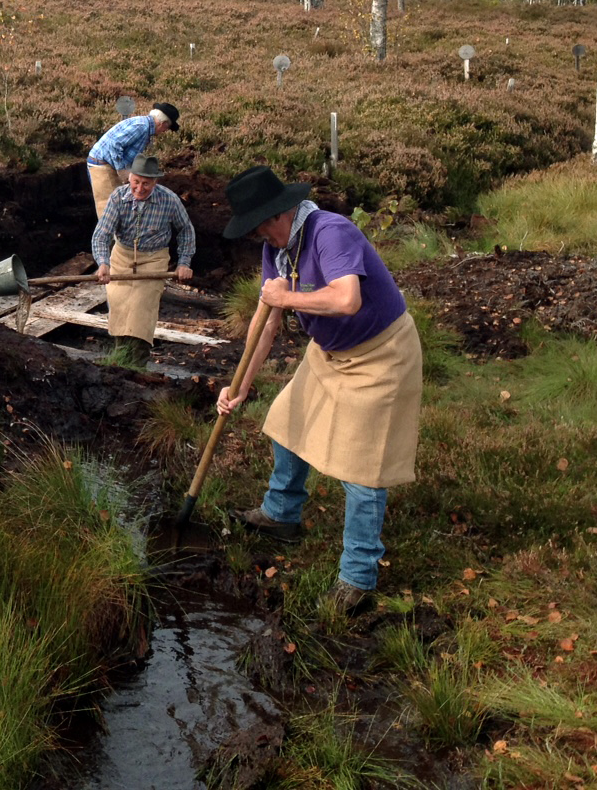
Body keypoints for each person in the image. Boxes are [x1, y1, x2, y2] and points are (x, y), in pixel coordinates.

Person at [216, 165, 424, 614]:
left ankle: (358, 578)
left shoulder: (331, 232)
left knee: (364, 467)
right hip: (329, 353)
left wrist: (286, 299)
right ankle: (281, 514)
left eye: (258, 228)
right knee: (289, 419)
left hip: (381, 354)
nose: (258, 238)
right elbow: (265, 322)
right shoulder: (278, 248)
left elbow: (346, 299)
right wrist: (240, 387)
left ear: (276, 215)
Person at [91, 155, 196, 360]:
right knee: (120, 308)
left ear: (155, 182)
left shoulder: (168, 200)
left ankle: (138, 360)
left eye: (146, 183)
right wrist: (103, 263)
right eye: (136, 182)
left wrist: (184, 262)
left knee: (141, 311)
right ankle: (121, 358)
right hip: (122, 257)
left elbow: (186, 230)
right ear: (129, 178)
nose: (139, 188)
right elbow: (102, 234)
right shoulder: (118, 198)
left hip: (153, 259)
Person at [87, 101, 180, 217]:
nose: (165, 131)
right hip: (102, 165)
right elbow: (114, 144)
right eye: (167, 128)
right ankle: (110, 235)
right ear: (163, 124)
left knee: (120, 205)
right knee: (109, 209)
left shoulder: (144, 127)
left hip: (109, 164)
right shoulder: (141, 127)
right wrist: (121, 169)